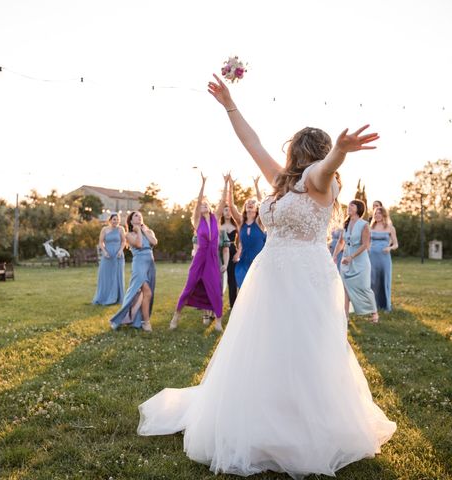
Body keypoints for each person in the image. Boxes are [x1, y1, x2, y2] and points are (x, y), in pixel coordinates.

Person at [137, 74, 396, 478]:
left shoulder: (318, 179)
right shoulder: (283, 181)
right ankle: (264, 416)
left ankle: (303, 426)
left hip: (304, 276)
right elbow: (252, 142)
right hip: (271, 275)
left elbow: (326, 168)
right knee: (266, 347)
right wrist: (229, 105)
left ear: (303, 152)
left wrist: (340, 154)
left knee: (303, 350)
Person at [170, 173, 226, 331]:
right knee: (189, 287)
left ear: (210, 207)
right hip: (200, 258)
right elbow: (198, 201)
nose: (203, 206)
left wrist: (226, 183)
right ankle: (176, 316)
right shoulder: (197, 220)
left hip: (213, 259)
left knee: (215, 289)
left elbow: (223, 202)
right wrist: (203, 183)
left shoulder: (216, 218)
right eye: (202, 205)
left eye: (206, 204)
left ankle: (218, 323)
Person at [108, 211, 157, 332]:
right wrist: (138, 231)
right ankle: (145, 322)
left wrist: (144, 230)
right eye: (136, 216)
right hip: (139, 264)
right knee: (146, 292)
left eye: (140, 215)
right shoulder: (128, 235)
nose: (139, 217)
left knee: (145, 294)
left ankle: (140, 320)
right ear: (130, 221)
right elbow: (139, 244)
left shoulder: (149, 231)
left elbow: (154, 242)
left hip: (150, 264)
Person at [333, 200, 379, 323]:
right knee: (346, 288)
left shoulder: (364, 224)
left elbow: (365, 245)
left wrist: (351, 257)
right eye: (348, 205)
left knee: (364, 287)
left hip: (360, 260)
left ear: (358, 209)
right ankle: (345, 317)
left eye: (351, 205)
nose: (348, 207)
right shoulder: (346, 224)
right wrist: (334, 256)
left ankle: (374, 313)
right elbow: (340, 242)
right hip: (346, 259)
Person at [229, 176, 266, 288]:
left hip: (258, 262)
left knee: (257, 290)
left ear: (257, 208)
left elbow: (263, 204)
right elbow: (231, 206)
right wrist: (231, 187)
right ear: (245, 208)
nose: (250, 203)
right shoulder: (241, 222)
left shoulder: (260, 222)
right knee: (244, 289)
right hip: (244, 262)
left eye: (252, 203)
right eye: (248, 203)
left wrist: (256, 186)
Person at [92, 213, 126, 305]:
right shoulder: (104, 229)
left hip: (118, 255)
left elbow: (123, 241)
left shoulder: (121, 229)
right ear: (110, 220)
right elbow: (101, 242)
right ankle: (104, 296)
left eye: (118, 219)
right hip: (107, 255)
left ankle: (116, 297)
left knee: (116, 276)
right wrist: (104, 251)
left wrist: (120, 251)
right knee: (105, 276)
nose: (116, 221)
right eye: (114, 219)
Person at [369, 206, 398, 311]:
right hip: (371, 256)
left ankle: (385, 305)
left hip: (384, 257)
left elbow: (396, 244)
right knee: (372, 280)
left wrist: (389, 248)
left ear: (384, 215)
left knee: (384, 279)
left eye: (379, 213)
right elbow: (366, 243)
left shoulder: (390, 228)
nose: (377, 215)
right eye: (375, 213)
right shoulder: (370, 227)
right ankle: (373, 305)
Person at [219, 179, 238, 307]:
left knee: (232, 280)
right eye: (225, 210)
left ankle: (233, 305)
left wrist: (232, 186)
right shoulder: (218, 226)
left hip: (233, 252)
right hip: (220, 252)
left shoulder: (235, 225)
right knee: (218, 280)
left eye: (229, 210)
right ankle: (215, 306)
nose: (228, 211)